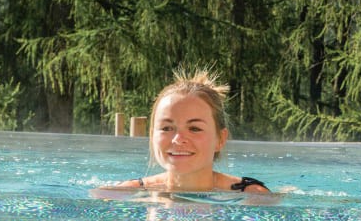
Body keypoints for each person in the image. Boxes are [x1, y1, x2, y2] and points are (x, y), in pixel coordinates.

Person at [96, 68, 274, 197]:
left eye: (194, 128)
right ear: (152, 137)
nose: (178, 139)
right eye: (166, 128)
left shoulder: (254, 196)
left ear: (220, 139)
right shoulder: (124, 193)